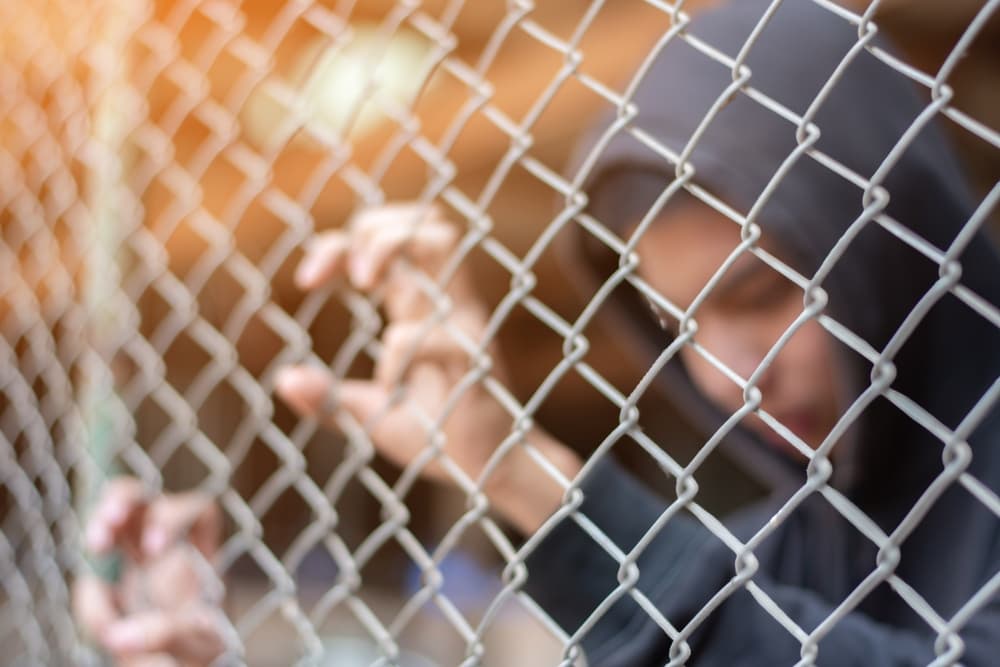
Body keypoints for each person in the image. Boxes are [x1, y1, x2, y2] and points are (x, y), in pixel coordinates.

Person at [73, 0, 1000, 664]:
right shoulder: (781, 544)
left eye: (759, 292)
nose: (726, 376)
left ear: (888, 233)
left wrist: (517, 468)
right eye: (680, 325)